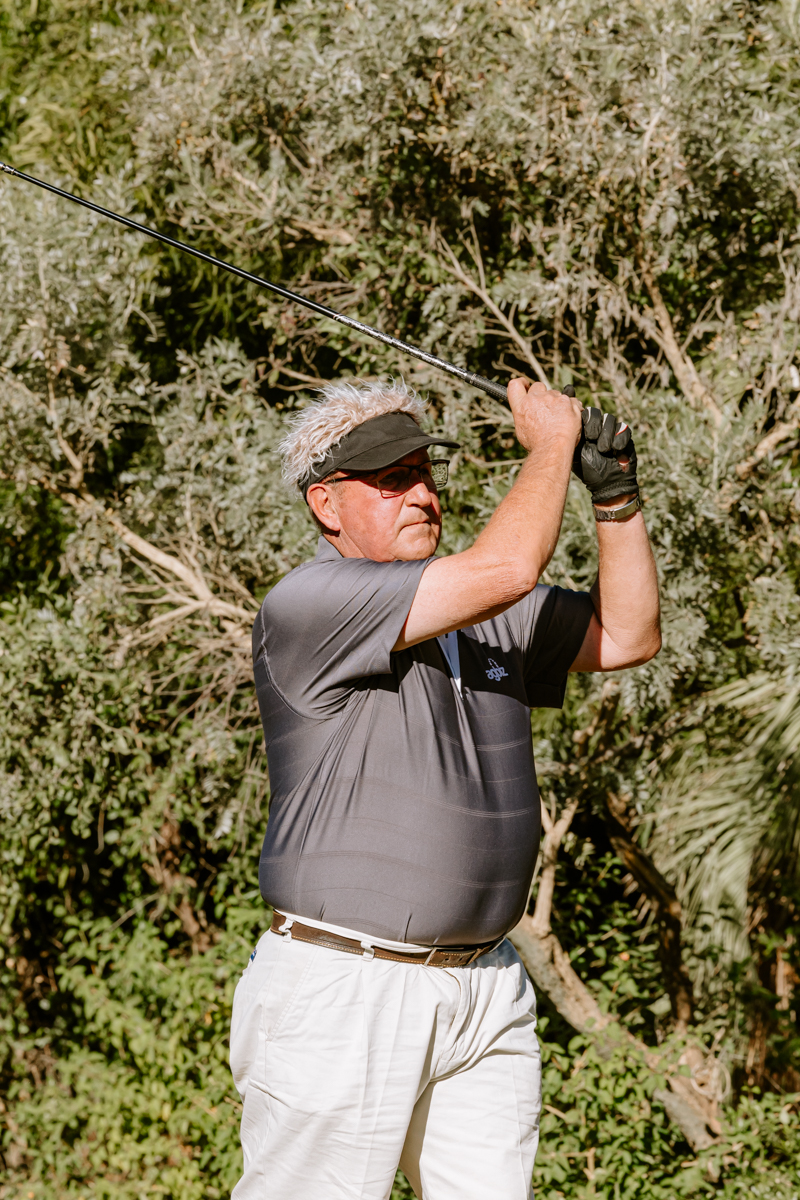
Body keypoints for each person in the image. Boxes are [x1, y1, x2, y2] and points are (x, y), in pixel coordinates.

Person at [230, 376, 661, 1200]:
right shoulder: (308, 603)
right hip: (344, 984)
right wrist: (551, 444)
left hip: (484, 982)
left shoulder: (482, 610)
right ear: (326, 504)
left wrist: (615, 498)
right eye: (392, 481)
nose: (423, 495)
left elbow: (630, 633)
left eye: (425, 474)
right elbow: (506, 568)